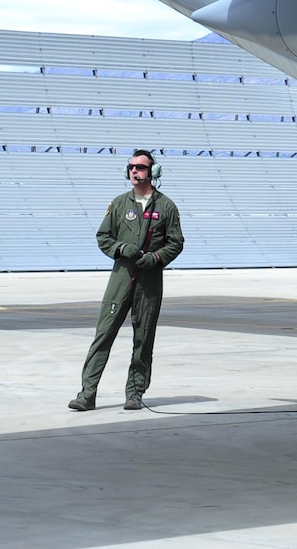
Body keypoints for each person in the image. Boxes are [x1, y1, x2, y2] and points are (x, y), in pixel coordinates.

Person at [68, 149, 184, 411]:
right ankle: (87, 394)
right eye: (131, 166)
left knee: (143, 339)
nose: (134, 171)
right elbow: (103, 237)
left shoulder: (166, 207)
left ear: (153, 172)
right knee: (103, 335)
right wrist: (121, 248)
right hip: (120, 280)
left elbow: (176, 242)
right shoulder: (119, 204)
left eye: (140, 167)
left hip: (149, 282)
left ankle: (135, 393)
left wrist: (155, 258)